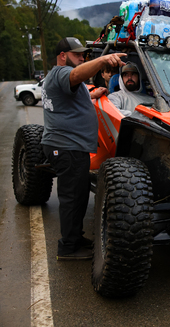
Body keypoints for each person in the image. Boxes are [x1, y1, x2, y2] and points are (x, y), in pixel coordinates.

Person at [41, 37, 126, 260]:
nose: (82, 58)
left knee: (78, 197)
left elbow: (67, 101)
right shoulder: (62, 73)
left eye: (83, 55)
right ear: (62, 56)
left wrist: (91, 95)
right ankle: (68, 248)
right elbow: (76, 75)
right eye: (77, 54)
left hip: (68, 146)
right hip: (67, 146)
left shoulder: (58, 79)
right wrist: (103, 60)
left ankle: (75, 239)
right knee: (71, 198)